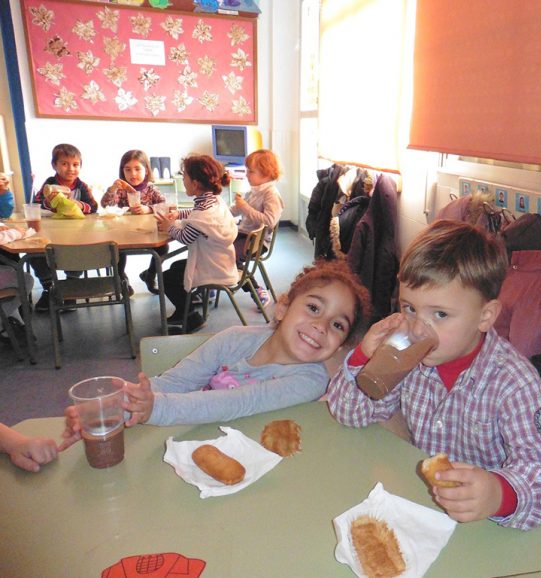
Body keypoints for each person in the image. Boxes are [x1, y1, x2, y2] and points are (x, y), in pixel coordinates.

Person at [327, 220, 541, 531]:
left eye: (439, 314)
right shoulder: (409, 356)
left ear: (485, 317)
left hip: (492, 524)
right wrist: (365, 356)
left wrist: (498, 494)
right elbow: (350, 414)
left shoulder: (513, 383)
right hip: (428, 507)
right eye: (409, 308)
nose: (418, 328)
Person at [60, 260, 371, 434]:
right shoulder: (234, 339)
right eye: (314, 309)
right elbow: (176, 382)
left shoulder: (312, 379)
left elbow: (237, 403)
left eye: (337, 325)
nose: (321, 326)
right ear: (282, 308)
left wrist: (156, 408)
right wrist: (122, 401)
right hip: (196, 437)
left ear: (341, 344)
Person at [155, 154, 239, 333]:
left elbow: (186, 237)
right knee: (177, 267)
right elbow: (196, 213)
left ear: (195, 183)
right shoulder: (214, 201)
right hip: (222, 261)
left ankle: (192, 318)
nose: (182, 179)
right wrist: (179, 215)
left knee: (168, 278)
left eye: (184, 176)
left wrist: (169, 227)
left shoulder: (203, 214)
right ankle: (183, 310)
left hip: (213, 268)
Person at [30, 144, 98, 313]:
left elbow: (93, 207)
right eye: (64, 164)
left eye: (75, 165)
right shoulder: (49, 184)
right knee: (35, 252)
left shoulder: (81, 186)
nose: (71, 169)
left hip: (77, 233)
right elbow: (36, 204)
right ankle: (48, 288)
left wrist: (80, 205)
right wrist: (48, 201)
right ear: (55, 165)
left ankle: (70, 286)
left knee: (80, 250)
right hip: (52, 232)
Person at [100, 150, 169, 296]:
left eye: (138, 169)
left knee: (163, 248)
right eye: (128, 170)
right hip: (123, 233)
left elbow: (165, 205)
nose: (133, 174)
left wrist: (148, 208)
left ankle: (150, 275)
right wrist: (113, 188)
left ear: (146, 170)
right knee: (117, 249)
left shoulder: (151, 189)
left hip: (146, 232)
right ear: (122, 171)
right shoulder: (121, 190)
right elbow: (105, 204)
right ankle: (121, 278)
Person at [231, 149, 284, 307]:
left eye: (251, 171)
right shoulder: (254, 190)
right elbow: (236, 209)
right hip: (244, 234)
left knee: (227, 256)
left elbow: (269, 221)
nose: (247, 174)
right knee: (214, 247)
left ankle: (255, 289)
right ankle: (215, 278)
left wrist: (245, 207)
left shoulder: (271, 194)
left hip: (258, 242)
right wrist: (219, 211)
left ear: (266, 174)